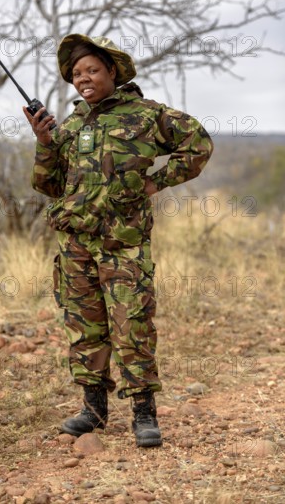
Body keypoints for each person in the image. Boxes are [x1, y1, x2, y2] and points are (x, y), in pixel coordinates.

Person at [24, 34, 213, 448]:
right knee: (84, 326)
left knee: (133, 325)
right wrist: (44, 144)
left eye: (92, 70)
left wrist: (153, 182)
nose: (83, 79)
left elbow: (197, 144)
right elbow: (49, 185)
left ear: (112, 70)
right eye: (76, 74)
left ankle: (144, 413)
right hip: (75, 244)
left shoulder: (145, 115)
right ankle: (93, 410)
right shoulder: (71, 125)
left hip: (122, 242)